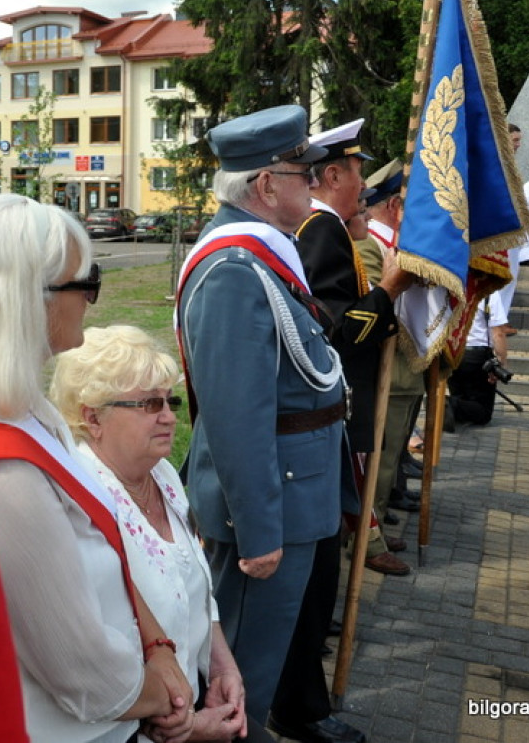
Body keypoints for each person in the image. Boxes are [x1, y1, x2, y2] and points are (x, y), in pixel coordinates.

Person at [0, 193, 193, 743]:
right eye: (87, 283)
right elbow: (81, 671)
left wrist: (157, 645)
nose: (92, 300)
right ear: (31, 299)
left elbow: (103, 549)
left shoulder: (26, 412)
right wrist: (167, 700)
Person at [175, 105, 365, 743]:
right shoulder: (235, 269)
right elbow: (236, 415)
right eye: (301, 174)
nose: (312, 185)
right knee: (242, 678)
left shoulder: (263, 256)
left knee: (264, 657)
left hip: (294, 493)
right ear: (264, 184)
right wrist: (258, 533)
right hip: (269, 508)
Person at [51, 324, 275, 743]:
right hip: (126, 728)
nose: (170, 417)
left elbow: (195, 587)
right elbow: (89, 665)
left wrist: (221, 666)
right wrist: (188, 730)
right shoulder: (79, 504)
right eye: (149, 404)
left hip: (187, 700)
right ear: (93, 417)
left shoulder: (163, 474)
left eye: (170, 401)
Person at [296, 119, 415, 578]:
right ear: (332, 176)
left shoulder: (324, 226)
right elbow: (341, 329)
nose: (363, 185)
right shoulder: (322, 227)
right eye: (357, 172)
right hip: (337, 391)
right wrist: (390, 289)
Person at [357, 159, 425, 522]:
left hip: (405, 369)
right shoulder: (370, 245)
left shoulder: (394, 244)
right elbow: (376, 306)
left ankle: (379, 522)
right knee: (380, 464)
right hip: (391, 369)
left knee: (392, 456)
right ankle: (371, 534)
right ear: (395, 205)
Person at [447, 292, 511, 427]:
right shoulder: (489, 291)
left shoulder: (450, 287)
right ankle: (446, 404)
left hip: (452, 352)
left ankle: (449, 406)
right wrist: (502, 362)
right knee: (484, 412)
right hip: (477, 355)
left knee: (460, 396)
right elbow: (498, 333)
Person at [502, 123, 526, 330]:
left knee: (512, 274)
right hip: (503, 229)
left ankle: (501, 318)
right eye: (515, 140)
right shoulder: (498, 163)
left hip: (514, 226)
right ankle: (498, 320)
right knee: (505, 274)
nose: (518, 144)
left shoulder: (508, 162)